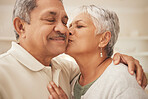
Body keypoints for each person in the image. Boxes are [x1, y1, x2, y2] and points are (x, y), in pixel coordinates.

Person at [0, 0, 146, 99]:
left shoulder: (65, 69)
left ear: (103, 39)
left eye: (65, 22)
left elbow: (100, 68)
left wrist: (120, 61)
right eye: (50, 20)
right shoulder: (3, 74)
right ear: (20, 27)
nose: (65, 30)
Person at [48, 5, 148, 99]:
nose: (68, 31)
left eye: (79, 26)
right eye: (70, 26)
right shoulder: (73, 79)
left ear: (104, 39)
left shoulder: (123, 80)